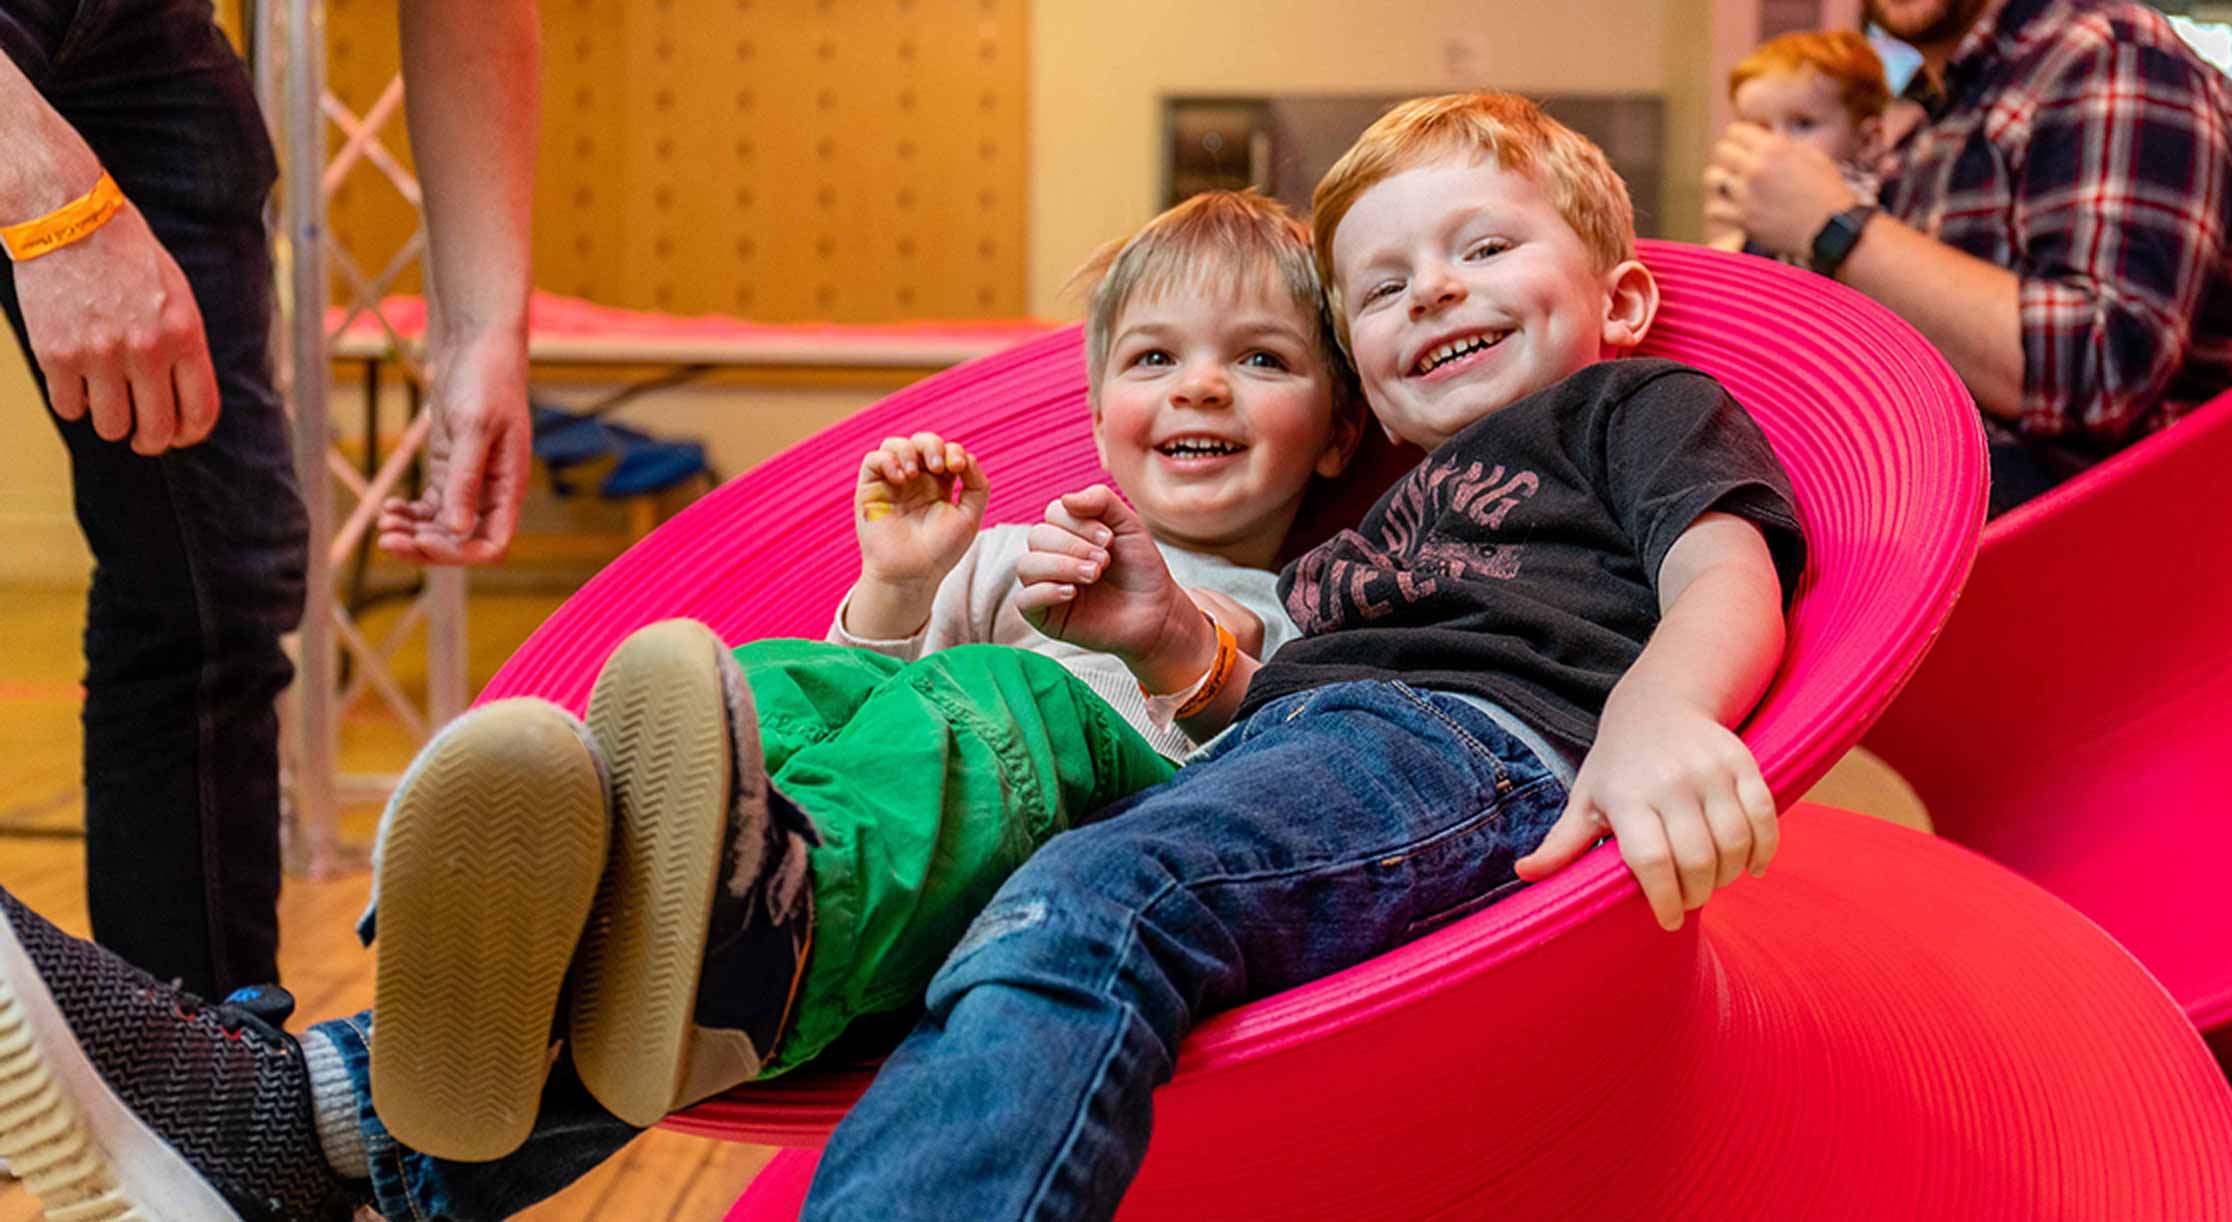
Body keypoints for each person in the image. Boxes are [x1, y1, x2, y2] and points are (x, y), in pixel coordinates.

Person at [0, 189, 1367, 1220]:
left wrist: (1174, 633)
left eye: (1260, 360)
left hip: (1046, 837)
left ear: (1342, 428)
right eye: (1155, 359)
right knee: (783, 680)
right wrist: (901, 583)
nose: (1199, 383)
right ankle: (562, 870)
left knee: (1011, 702)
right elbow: (873, 703)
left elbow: (1261, 772)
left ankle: (733, 918)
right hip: (871, 827)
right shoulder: (1016, 547)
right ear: (1092, 399)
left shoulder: (1322, 602)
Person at [786, 90, 1812, 1218]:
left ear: (1618, 300)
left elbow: (1723, 567)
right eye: (1382, 289)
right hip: (1306, 750)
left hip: (1469, 745)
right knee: (1028, 908)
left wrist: (1662, 714)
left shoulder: (1626, 405)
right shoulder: (1370, 526)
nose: (1431, 287)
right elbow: (1262, 709)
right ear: (1368, 388)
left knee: (1099, 902)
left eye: (1485, 247)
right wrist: (1174, 644)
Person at [0, 0, 536, 1001]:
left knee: (213, 580)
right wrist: (48, 196)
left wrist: (484, 331)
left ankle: (200, 1091)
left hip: (140, 38)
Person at [1706, 0, 2232, 513]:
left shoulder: (2111, 55)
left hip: (2090, 542)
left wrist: (1833, 224)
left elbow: (2105, 364)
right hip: (1941, 511)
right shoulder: (1931, 113)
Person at [1707, 30, 1890, 260]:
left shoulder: (1874, 211)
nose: (1775, 146)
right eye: (1759, 127)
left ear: (1867, 142)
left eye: (1803, 124)